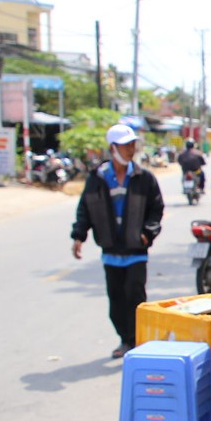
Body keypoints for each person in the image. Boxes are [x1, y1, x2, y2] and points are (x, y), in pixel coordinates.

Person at [71, 123, 165, 359]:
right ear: (113, 148)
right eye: (126, 146)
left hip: (136, 250)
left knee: (135, 297)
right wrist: (79, 236)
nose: (131, 149)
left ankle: (138, 339)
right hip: (111, 251)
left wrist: (148, 233)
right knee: (116, 301)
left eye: (132, 145)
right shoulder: (97, 179)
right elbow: (85, 208)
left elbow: (156, 209)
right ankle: (126, 339)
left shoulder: (144, 178)